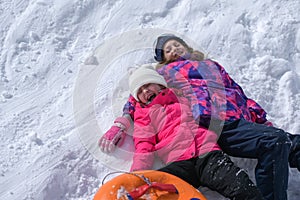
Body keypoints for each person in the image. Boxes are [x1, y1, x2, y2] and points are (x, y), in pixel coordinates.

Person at [99, 34, 300, 200]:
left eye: (177, 45)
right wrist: (123, 121)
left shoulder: (212, 66)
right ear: (162, 58)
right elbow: (141, 96)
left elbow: (238, 94)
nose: (174, 50)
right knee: (275, 141)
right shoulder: (164, 72)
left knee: (291, 143)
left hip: (236, 121)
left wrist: (260, 119)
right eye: (168, 50)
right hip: (210, 122)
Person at [128, 65, 264, 199]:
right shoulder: (143, 114)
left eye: (147, 85)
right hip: (178, 161)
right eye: (139, 91)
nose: (145, 91)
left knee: (241, 186)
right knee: (156, 190)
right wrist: (138, 173)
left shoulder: (182, 95)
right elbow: (143, 144)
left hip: (207, 153)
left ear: (160, 83)